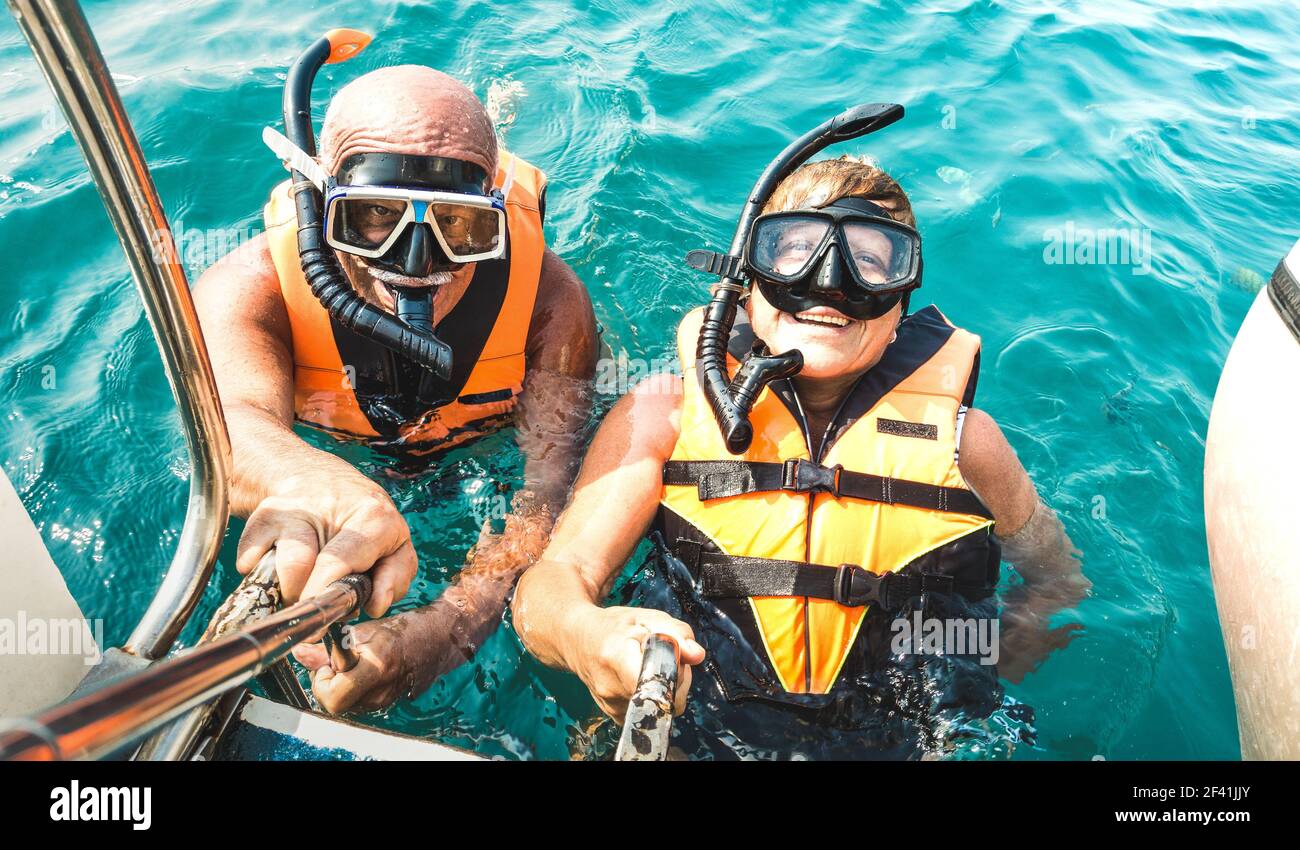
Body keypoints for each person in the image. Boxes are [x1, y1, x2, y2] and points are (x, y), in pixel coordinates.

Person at [513, 107, 1088, 759]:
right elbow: (549, 587)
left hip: (907, 736)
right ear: (747, 283)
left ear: (901, 303)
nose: (828, 283)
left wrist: (985, 687)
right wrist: (591, 636)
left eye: (872, 263)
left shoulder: (967, 444)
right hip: (698, 725)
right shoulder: (663, 416)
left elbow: (1056, 579)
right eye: (793, 251)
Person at [193, 31, 597, 713]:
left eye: (457, 226)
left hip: (474, 448)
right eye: (373, 218)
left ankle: (500, 110)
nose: (416, 260)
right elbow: (228, 423)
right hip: (344, 453)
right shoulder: (250, 288)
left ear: (494, 217)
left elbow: (545, 491)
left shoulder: (551, 305)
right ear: (321, 204)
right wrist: (302, 477)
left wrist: (448, 630)